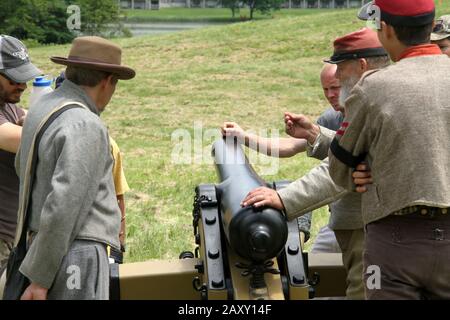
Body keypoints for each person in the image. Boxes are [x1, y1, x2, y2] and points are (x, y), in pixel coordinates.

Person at [242, 28, 390, 299]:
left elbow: (343, 166)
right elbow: (353, 152)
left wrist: (283, 198)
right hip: (363, 225)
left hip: (372, 226)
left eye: (341, 71)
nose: (338, 79)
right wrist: (314, 134)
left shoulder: (373, 104)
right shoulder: (374, 101)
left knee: (366, 294)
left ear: (362, 66)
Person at [329, 0, 450, 299]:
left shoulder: (372, 88)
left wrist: (364, 168)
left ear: (386, 29)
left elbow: (340, 167)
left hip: (395, 241)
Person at [15, 36, 136, 300]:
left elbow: (21, 169)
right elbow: (64, 204)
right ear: (107, 82)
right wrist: (40, 278)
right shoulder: (85, 124)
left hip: (42, 246)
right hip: (74, 253)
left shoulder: (41, 108)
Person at [222, 63, 342, 249]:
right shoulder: (333, 119)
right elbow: (291, 145)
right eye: (325, 89)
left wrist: (284, 198)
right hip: (340, 219)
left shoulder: (366, 116)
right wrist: (243, 136)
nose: (330, 95)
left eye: (335, 87)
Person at [54, 72, 130, 263]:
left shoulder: (108, 144)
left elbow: (117, 194)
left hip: (96, 240)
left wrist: (119, 242)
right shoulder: (52, 138)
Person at [0, 35, 41, 277]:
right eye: (15, 79)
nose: (23, 86)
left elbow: (34, 117)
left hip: (11, 236)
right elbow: (33, 140)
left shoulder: (7, 105)